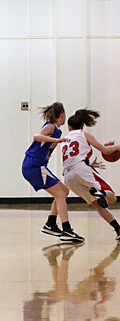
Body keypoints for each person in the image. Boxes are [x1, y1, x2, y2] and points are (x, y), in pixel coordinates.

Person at [22, 102, 83, 244]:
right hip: (34, 165)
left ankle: (51, 223)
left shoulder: (57, 131)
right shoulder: (50, 127)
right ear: (62, 116)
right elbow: (37, 137)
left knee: (64, 191)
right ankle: (67, 229)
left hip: (38, 165)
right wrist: (56, 140)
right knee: (60, 194)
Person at [61, 109, 120, 242]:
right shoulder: (84, 135)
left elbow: (73, 158)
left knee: (98, 205)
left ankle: (118, 229)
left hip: (68, 177)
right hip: (81, 169)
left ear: (69, 127)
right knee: (112, 198)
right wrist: (117, 147)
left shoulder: (64, 140)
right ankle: (102, 194)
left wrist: (89, 164)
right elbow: (105, 150)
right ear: (82, 126)